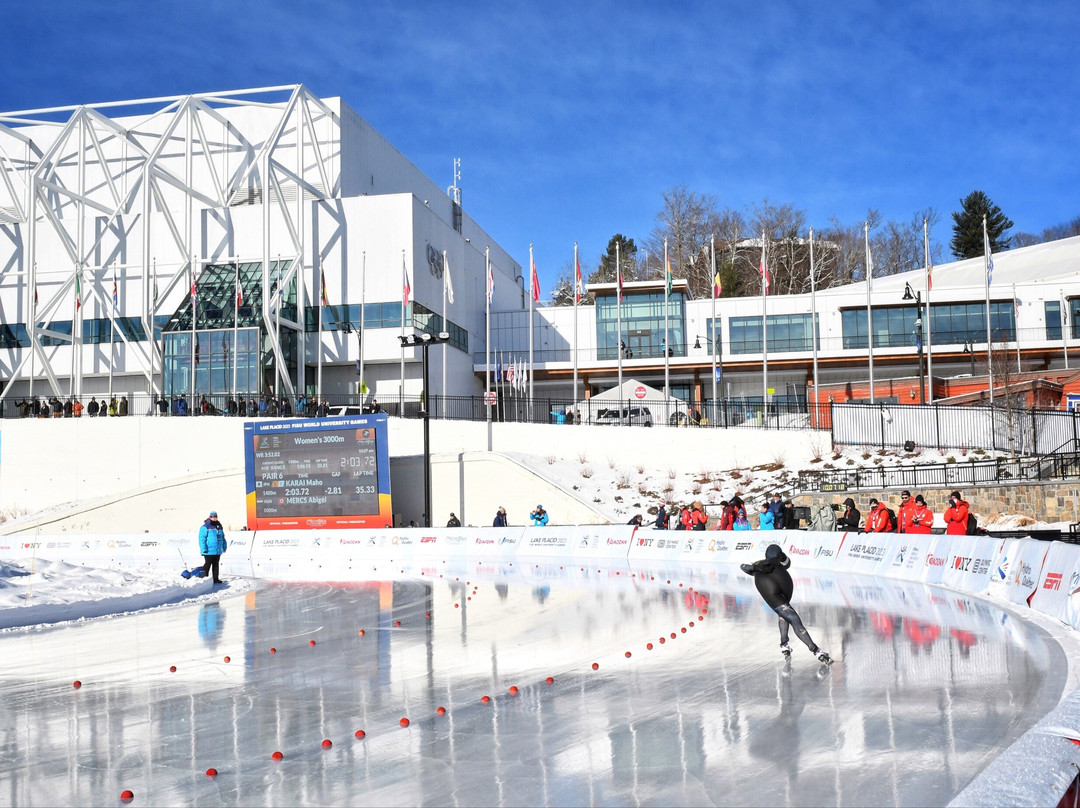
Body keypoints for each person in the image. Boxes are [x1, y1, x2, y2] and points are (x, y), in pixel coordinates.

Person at [740, 544, 832, 663]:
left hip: (771, 591)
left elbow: (743, 567)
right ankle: (815, 650)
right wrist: (779, 559)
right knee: (793, 618)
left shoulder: (762, 564)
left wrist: (753, 567)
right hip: (777, 590)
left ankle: (784, 644)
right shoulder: (778, 561)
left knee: (785, 615)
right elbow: (787, 562)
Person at [198, 510, 227, 584]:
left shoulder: (219, 526)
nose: (214, 518)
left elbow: (222, 537)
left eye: (215, 517)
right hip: (208, 550)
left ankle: (216, 579)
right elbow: (202, 538)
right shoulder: (205, 527)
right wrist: (203, 548)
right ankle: (204, 579)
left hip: (217, 550)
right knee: (207, 564)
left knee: (216, 564)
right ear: (210, 517)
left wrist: (224, 546)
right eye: (212, 517)